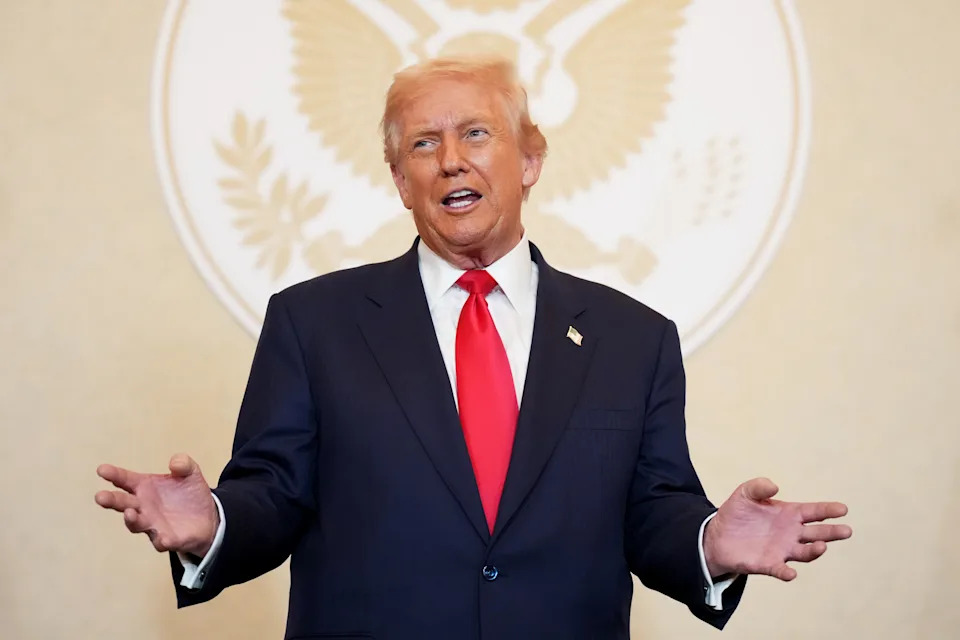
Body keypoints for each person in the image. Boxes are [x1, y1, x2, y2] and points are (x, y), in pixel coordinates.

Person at [95, 57, 851, 639]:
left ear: (529, 162)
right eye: (424, 143)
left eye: (475, 133)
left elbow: (653, 514)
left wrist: (709, 542)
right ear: (400, 180)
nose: (451, 158)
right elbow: (274, 494)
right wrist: (214, 525)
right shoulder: (312, 322)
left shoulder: (634, 338)